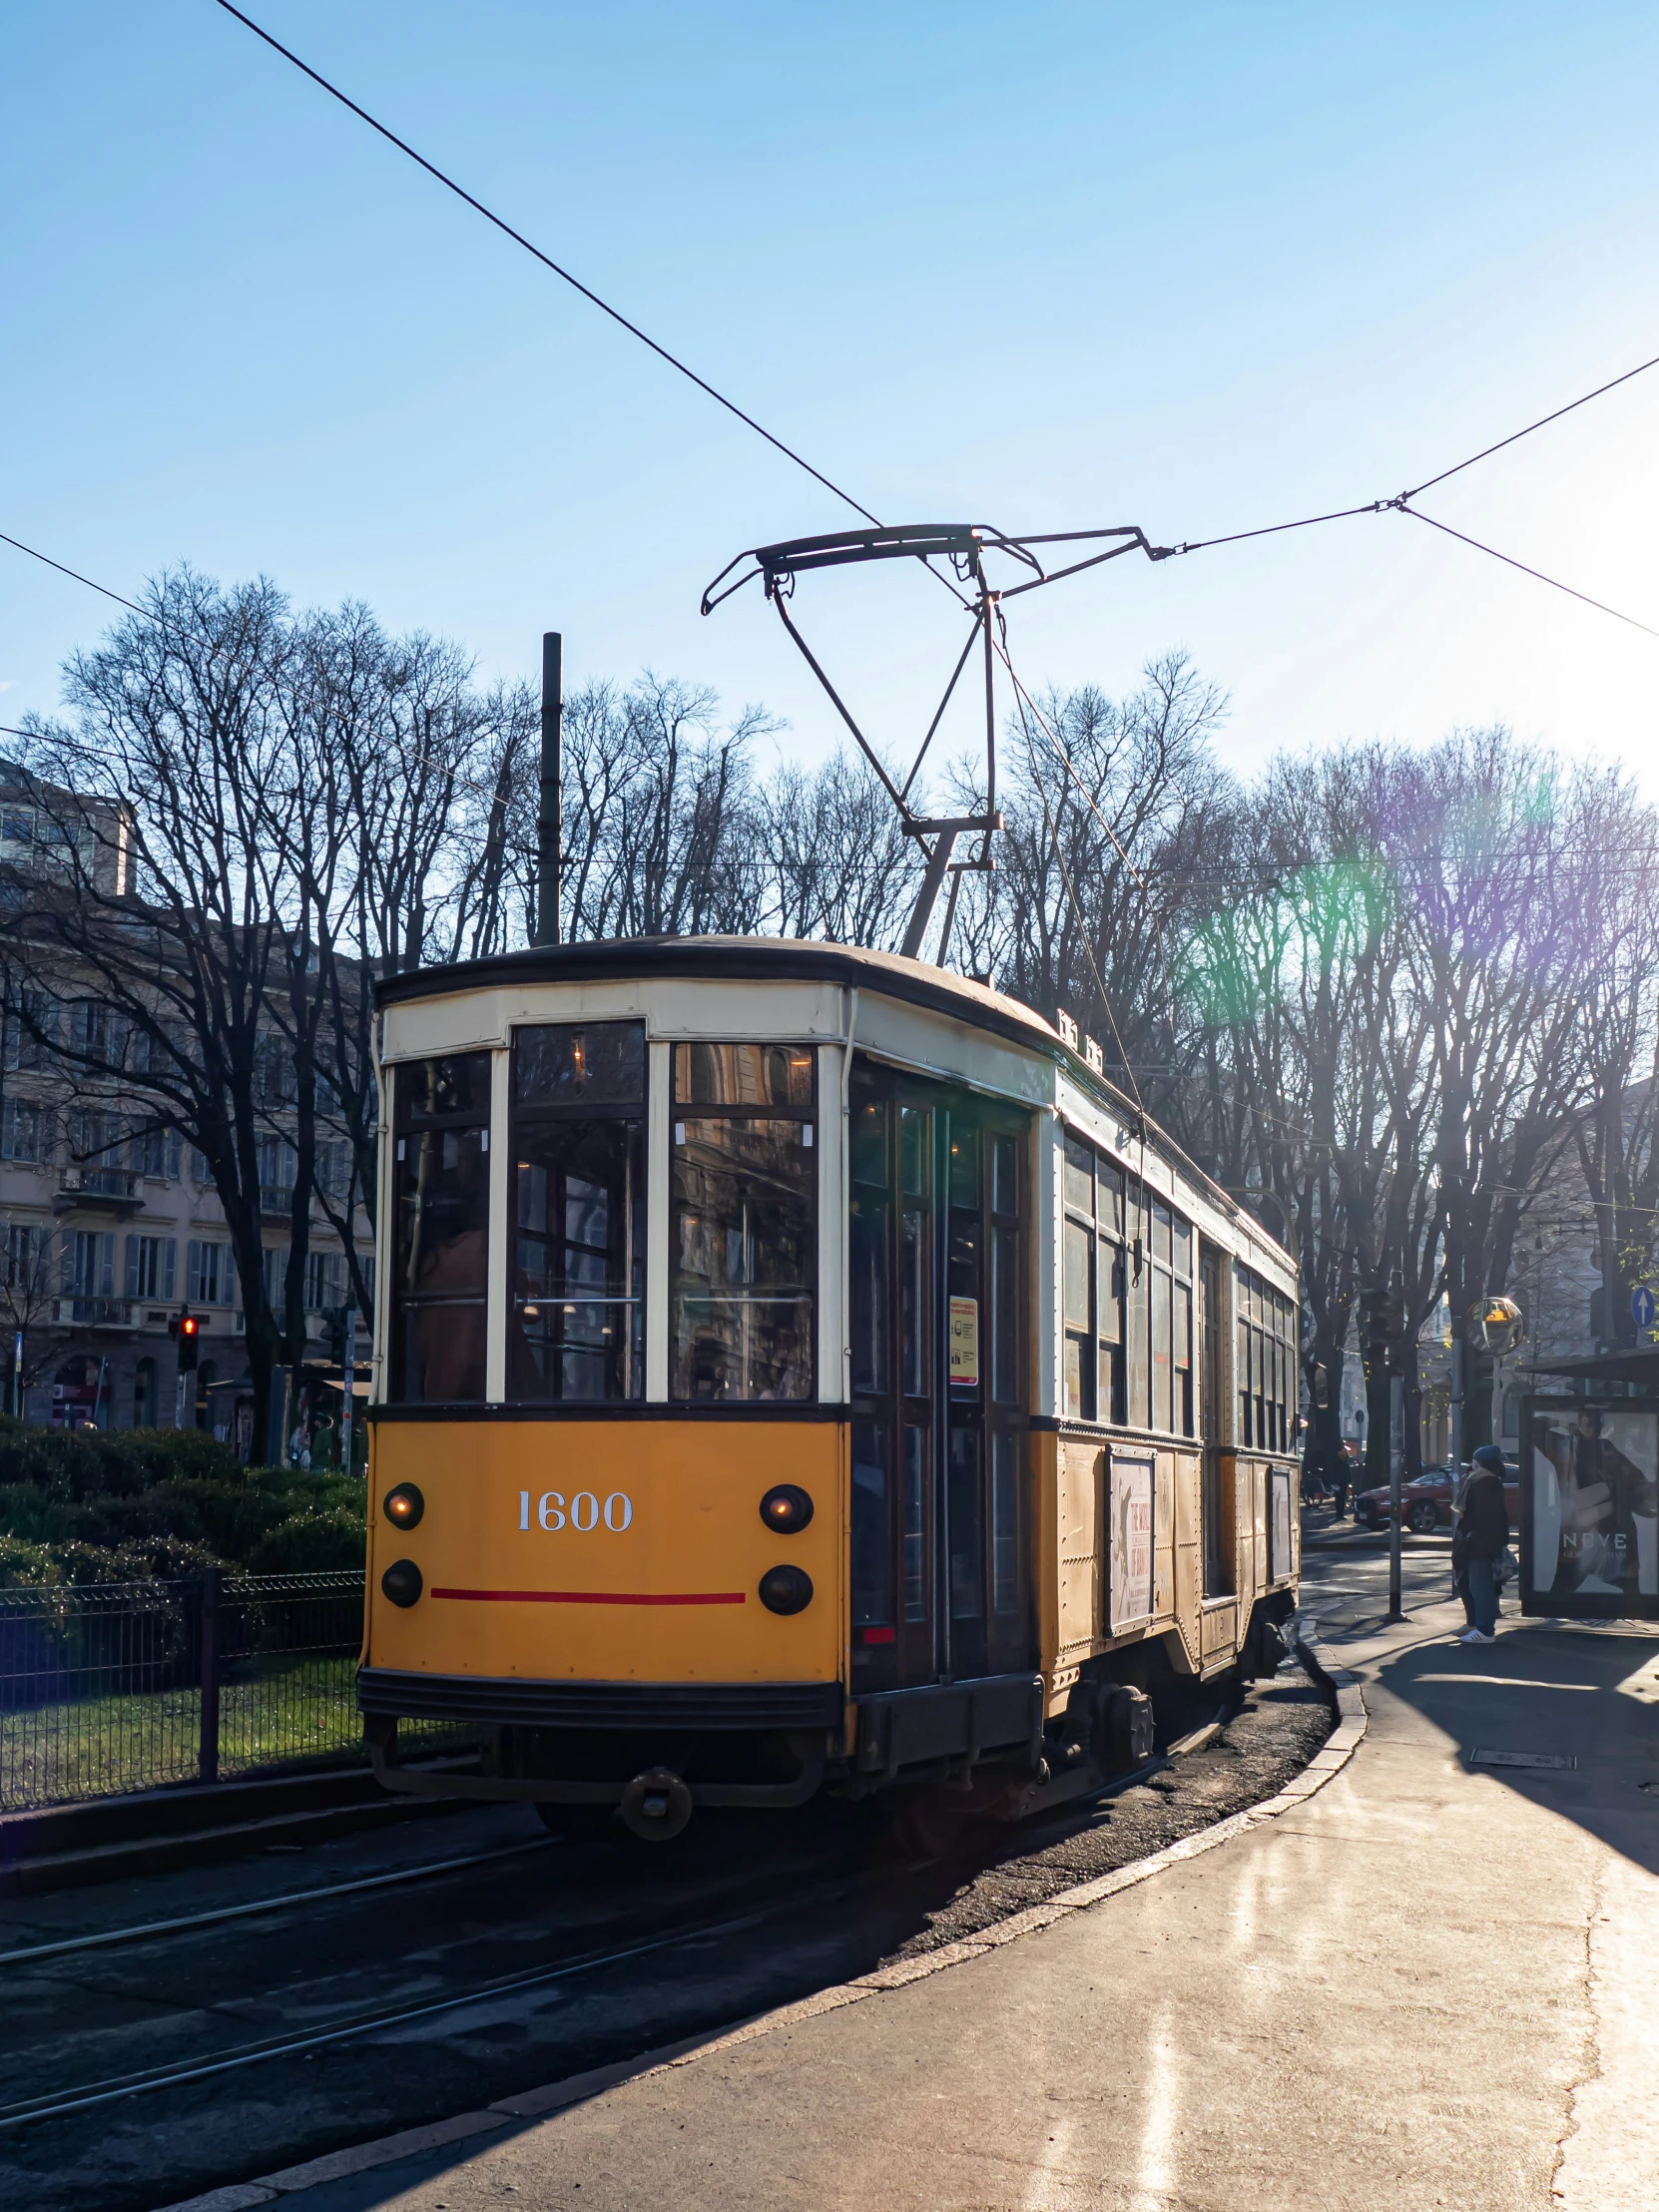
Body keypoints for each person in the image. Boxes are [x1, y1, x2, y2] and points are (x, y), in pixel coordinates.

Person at [1456, 1444, 1510, 1644]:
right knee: (1478, 1586)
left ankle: (1485, 1631)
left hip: (1481, 1543)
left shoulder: (1485, 1483)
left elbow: (1480, 1515)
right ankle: (1480, 1627)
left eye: (1475, 1462)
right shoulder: (1487, 1481)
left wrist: (1469, 1533)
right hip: (1482, 1542)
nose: (1473, 1465)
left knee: (1481, 1588)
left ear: (1482, 1464)